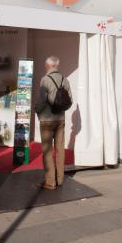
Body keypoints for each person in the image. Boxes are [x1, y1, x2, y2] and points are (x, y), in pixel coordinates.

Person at [36, 56, 72, 190]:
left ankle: (50, 182)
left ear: (48, 65)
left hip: (46, 119)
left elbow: (42, 101)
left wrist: (37, 111)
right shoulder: (65, 79)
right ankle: (60, 179)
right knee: (60, 149)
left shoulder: (45, 80)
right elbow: (70, 101)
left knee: (47, 150)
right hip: (60, 119)